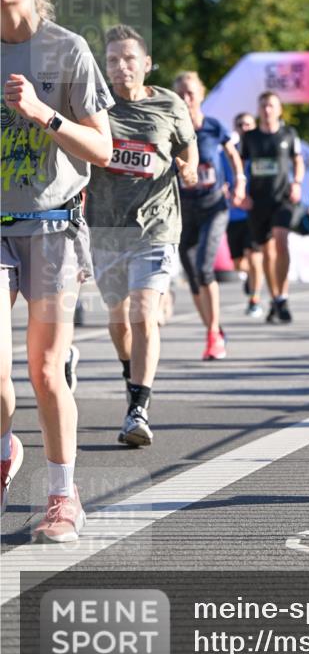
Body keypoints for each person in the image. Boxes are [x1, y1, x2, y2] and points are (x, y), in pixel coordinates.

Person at [0, 0, 113, 541]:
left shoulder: (65, 51)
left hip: (50, 226)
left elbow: (101, 147)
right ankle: (3, 452)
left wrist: (43, 115)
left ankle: (64, 496)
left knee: (44, 370)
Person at [85, 25, 198, 446]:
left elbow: (188, 146)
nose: (122, 67)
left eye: (130, 58)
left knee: (143, 310)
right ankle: (130, 373)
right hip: (106, 228)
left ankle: (138, 408)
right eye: (113, 59)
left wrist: (188, 168)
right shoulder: (94, 105)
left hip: (157, 225)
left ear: (146, 63)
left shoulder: (169, 105)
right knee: (118, 318)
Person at [172, 72, 246, 358]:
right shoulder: (172, 130)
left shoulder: (214, 126)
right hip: (184, 209)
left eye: (190, 93)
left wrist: (240, 180)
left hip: (214, 206)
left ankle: (213, 334)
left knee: (205, 266)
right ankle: (212, 330)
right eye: (180, 94)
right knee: (192, 274)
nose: (186, 99)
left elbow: (232, 153)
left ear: (201, 94)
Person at [239, 91, 304, 323]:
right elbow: (240, 166)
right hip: (258, 201)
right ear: (259, 109)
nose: (267, 110)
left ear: (279, 110)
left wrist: (297, 183)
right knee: (266, 252)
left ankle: (283, 296)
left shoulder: (288, 133)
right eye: (263, 105)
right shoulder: (250, 137)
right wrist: (241, 191)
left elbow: (298, 160)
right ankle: (275, 298)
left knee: (281, 240)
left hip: (282, 198)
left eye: (271, 106)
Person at [227, 112, 264, 318]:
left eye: (249, 124)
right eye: (240, 124)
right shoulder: (229, 152)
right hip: (233, 215)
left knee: (255, 256)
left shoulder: (262, 150)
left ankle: (254, 299)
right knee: (238, 263)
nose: (245, 127)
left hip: (255, 213)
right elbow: (222, 177)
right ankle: (251, 276)